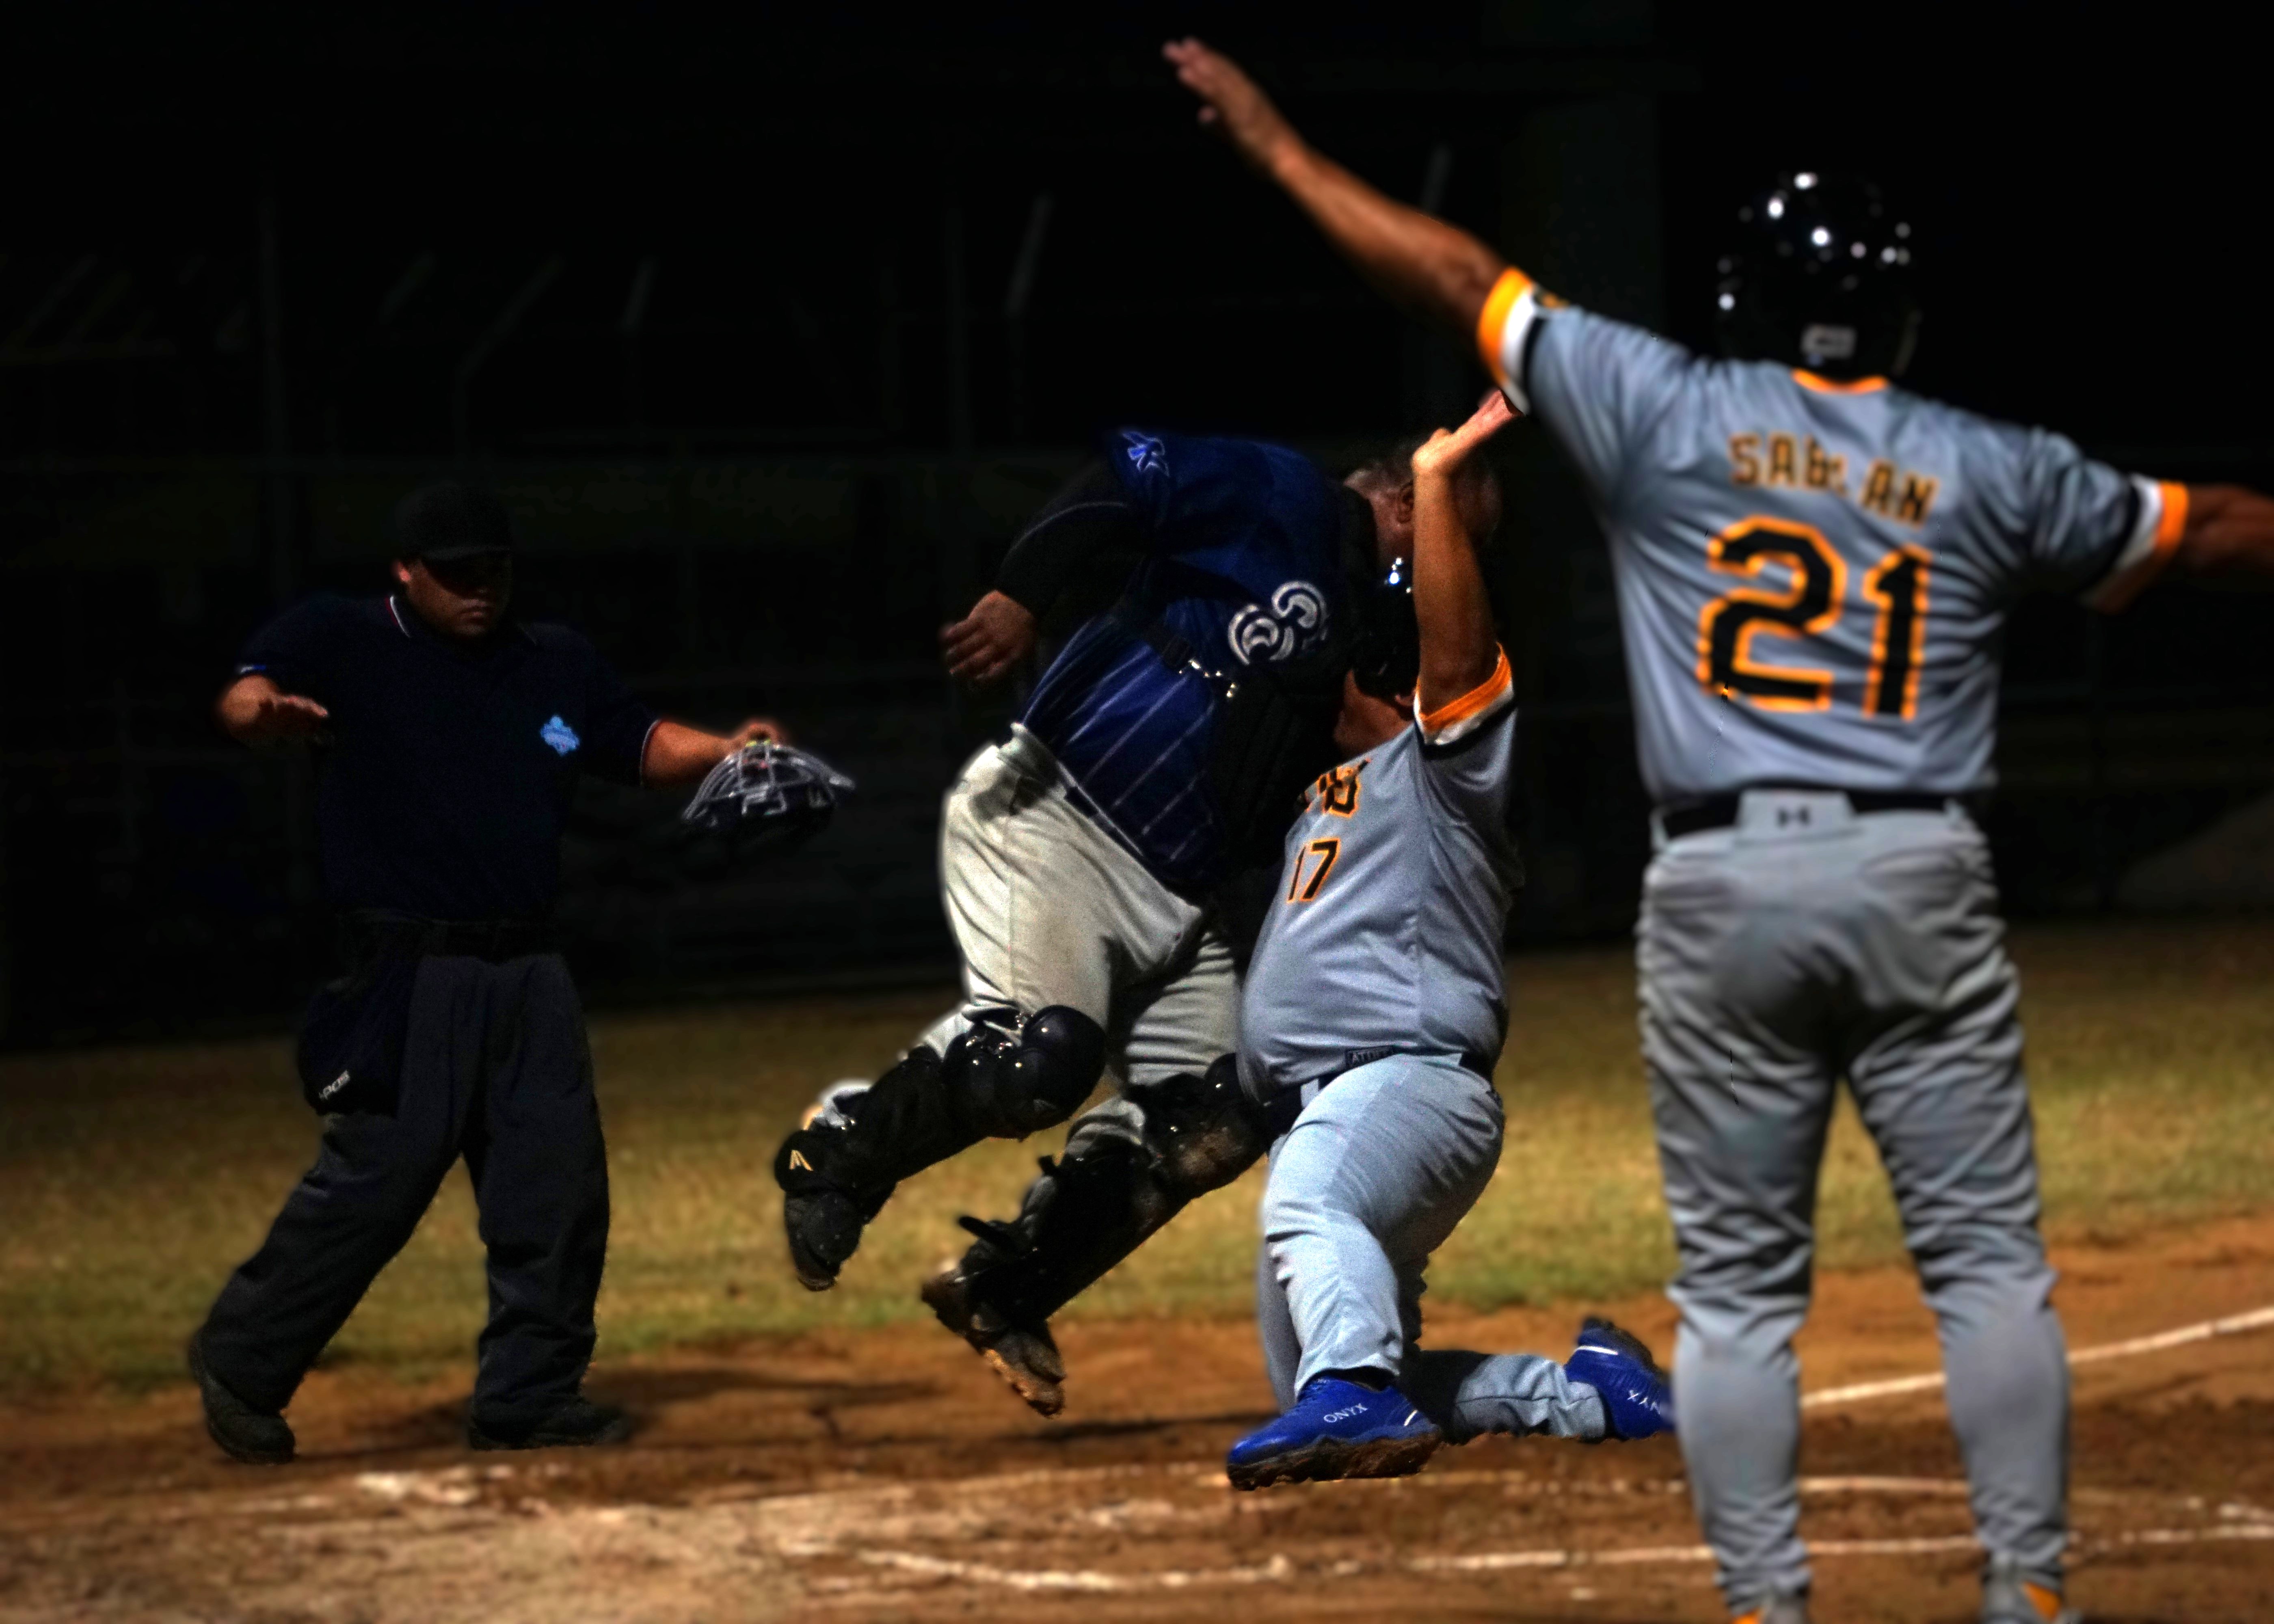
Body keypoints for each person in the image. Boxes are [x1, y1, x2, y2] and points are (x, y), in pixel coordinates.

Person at [1167, 36, 2274, 1624]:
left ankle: (1763, 1602)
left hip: (1719, 879)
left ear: (1740, 302)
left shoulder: (1667, 401)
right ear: (1897, 315)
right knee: (1980, 1266)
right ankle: (2025, 1589)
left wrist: (1276, 151)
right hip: (1916, 868)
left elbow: (1458, 274)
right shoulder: (1981, 458)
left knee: (1742, 1296)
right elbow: (2206, 531)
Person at [773, 427, 1494, 1417]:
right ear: (1405, 498)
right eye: (1449, 525)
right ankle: (845, 1146)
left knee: (1219, 1111)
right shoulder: (1279, 493)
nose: (1450, 558)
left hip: (1187, 897)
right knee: (1039, 1062)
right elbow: (1123, 475)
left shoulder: (1379, 624)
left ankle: (1005, 1287)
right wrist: (1020, 593)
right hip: (1059, 817)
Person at [188, 482, 779, 1464]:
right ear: (405, 571)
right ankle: (242, 1357)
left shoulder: (551, 662)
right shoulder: (345, 635)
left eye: (493, 570)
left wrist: (730, 752)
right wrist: (257, 711)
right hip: (408, 963)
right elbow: (248, 690)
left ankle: (529, 1394)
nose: (478, 589)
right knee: (379, 1178)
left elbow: (635, 744)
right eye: (456, 573)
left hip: (531, 967)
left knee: (555, 1185)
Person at [1226, 389, 1673, 1490]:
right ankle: (1582, 1396)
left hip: (1408, 1084)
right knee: (1315, 1378)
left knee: (1314, 1225)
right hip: (1333, 1105)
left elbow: (1457, 645)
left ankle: (1360, 1388)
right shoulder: (1319, 787)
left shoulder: (1446, 765)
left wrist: (1431, 486)